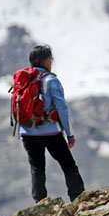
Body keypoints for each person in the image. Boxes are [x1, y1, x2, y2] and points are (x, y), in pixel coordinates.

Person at [20, 45, 84, 203]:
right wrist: (70, 135)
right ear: (46, 60)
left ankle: (39, 204)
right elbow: (62, 109)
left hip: (27, 132)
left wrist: (23, 136)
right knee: (68, 165)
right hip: (50, 132)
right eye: (51, 59)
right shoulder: (51, 81)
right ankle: (78, 198)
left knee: (37, 168)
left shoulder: (23, 82)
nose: (52, 62)